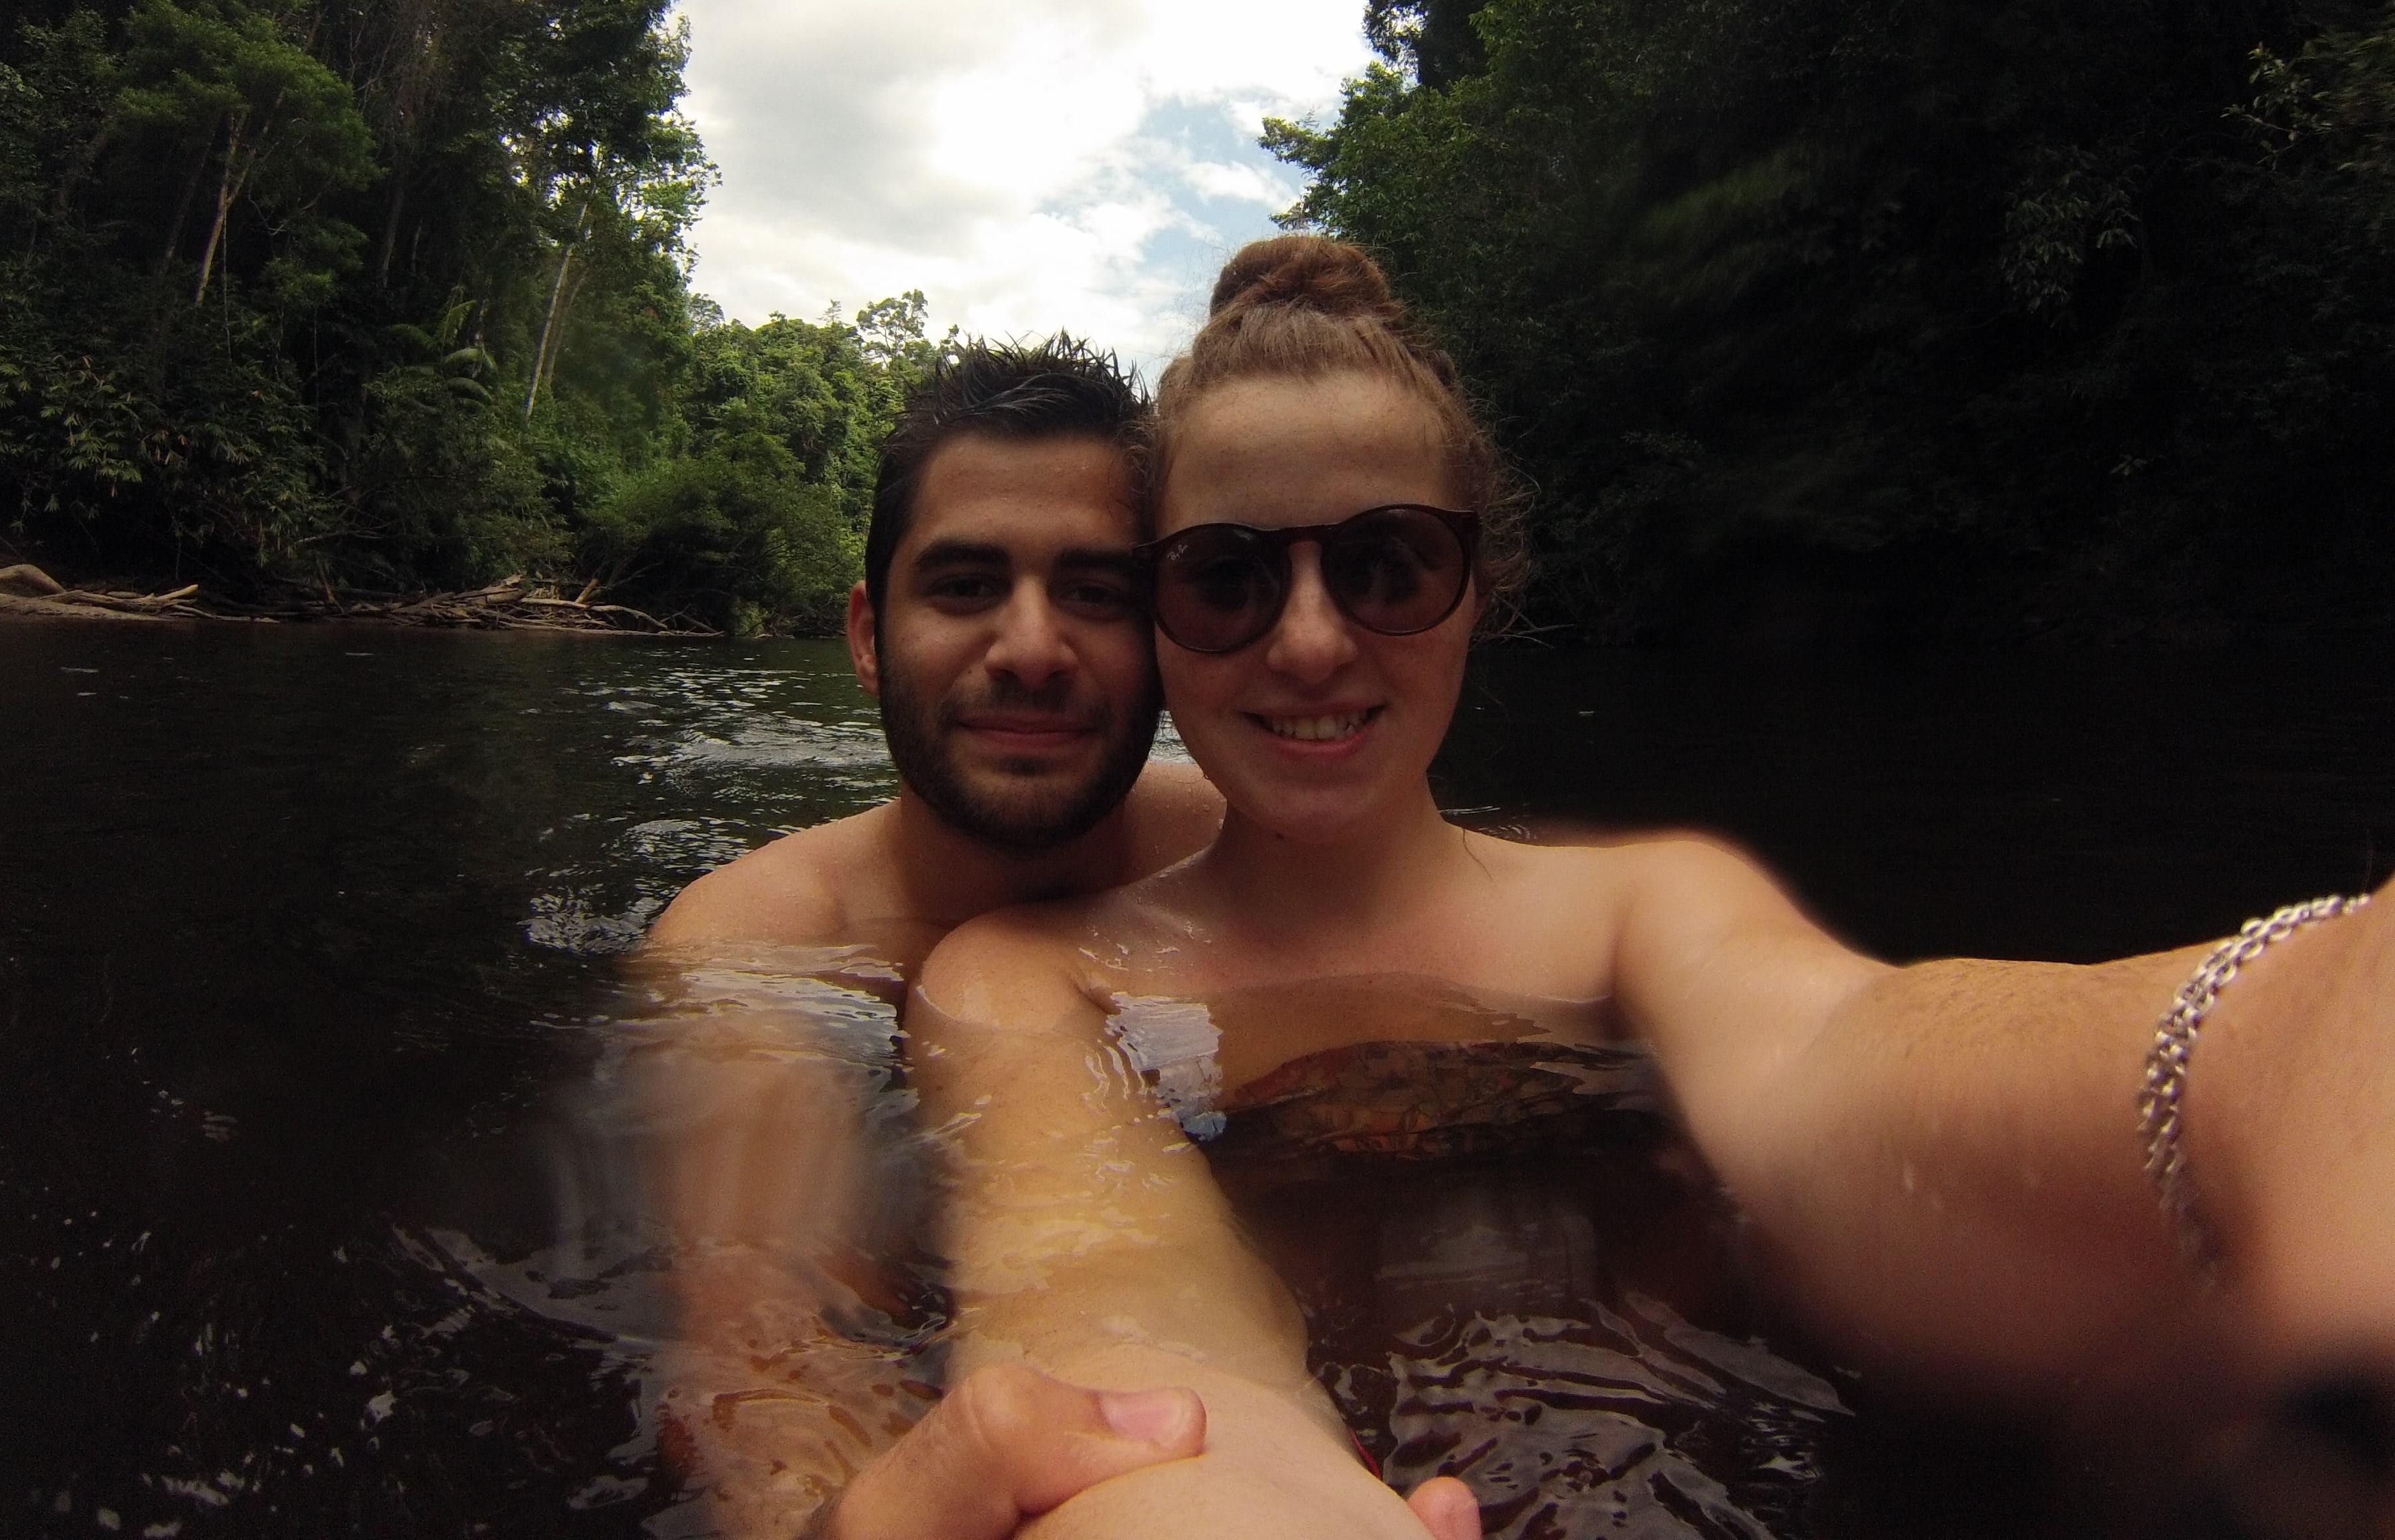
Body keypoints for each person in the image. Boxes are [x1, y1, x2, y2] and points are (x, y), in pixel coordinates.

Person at [906, 236, 2395, 1539]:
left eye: (1389, 565)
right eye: (1226, 577)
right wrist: (1199, 1501)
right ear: (1159, 613)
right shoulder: (1024, 980)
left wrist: (2294, 1042)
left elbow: (1844, 1076)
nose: (1306, 643)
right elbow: (1115, 1313)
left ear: (1480, 589)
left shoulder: (1646, 909)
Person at [637, 336, 1229, 1540]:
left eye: (1096, 592)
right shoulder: (753, 945)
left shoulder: (1245, 857)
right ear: (867, 635)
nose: (1029, 649)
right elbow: (765, 1365)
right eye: (965, 587)